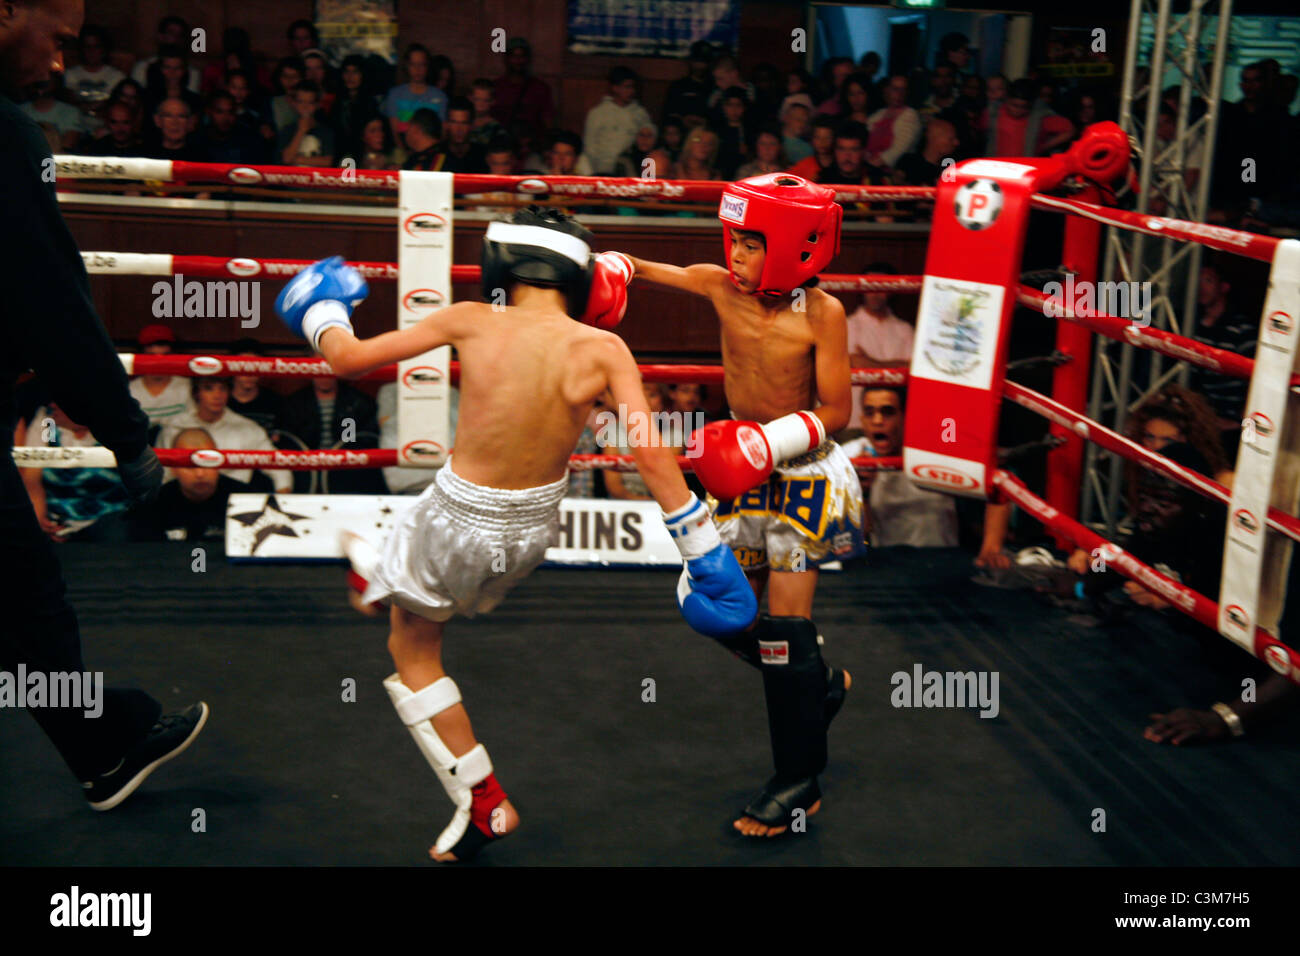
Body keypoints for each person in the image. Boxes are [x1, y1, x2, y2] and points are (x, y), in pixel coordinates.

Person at [272, 209, 756, 861]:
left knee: (412, 650)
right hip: (531, 534)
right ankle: (377, 571)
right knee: (407, 575)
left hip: (454, 517)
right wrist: (704, 553)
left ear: (500, 265)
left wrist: (319, 310)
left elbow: (350, 359)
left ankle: (484, 800)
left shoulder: (472, 318)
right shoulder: (604, 348)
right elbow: (648, 451)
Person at [1, 0, 206, 811]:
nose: (59, 64)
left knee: (19, 593)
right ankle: (102, 744)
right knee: (25, 594)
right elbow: (47, 289)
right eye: (57, 38)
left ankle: (102, 744)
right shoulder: (9, 133)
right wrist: (125, 431)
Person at [625, 173, 862, 837]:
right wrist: (607, 265)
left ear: (793, 249)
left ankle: (798, 781)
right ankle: (815, 688)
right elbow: (649, 269)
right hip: (738, 471)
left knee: (786, 630)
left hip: (804, 473)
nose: (737, 255)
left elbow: (838, 411)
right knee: (728, 618)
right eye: (734, 240)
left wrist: (770, 440)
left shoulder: (826, 316)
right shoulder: (716, 286)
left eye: (753, 245)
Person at [840, 387, 957, 547]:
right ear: (862, 419)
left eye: (888, 412)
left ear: (906, 416)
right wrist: (862, 493)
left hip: (939, 558)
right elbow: (850, 542)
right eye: (869, 412)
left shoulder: (937, 453)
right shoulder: (850, 456)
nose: (877, 421)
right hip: (885, 562)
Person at [161, 378, 291, 493]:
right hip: (182, 499)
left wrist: (282, 503)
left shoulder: (247, 428)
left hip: (233, 501)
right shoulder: (175, 427)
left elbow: (279, 469)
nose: (217, 395)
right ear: (196, 393)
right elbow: (163, 475)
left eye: (222, 389)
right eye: (209, 389)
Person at [129, 428, 241, 541]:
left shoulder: (245, 498)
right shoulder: (151, 505)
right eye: (190, 466)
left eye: (208, 464)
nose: (200, 474)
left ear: (219, 463)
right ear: (173, 468)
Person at [846, 263, 913, 430]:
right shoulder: (847, 324)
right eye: (870, 286)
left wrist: (869, 362)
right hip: (855, 419)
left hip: (896, 421)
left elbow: (913, 369)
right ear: (862, 289)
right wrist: (896, 367)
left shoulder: (904, 328)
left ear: (891, 290)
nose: (875, 293)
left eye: (881, 286)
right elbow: (856, 363)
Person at [583, 66, 653, 175]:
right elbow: (589, 146)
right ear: (615, 88)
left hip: (631, 169)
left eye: (633, 87)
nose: (631, 91)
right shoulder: (597, 113)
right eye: (627, 87)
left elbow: (648, 142)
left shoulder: (640, 114)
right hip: (602, 170)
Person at [491, 37, 554, 150]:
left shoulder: (540, 88)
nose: (518, 61)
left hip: (532, 149)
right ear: (506, 59)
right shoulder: (496, 87)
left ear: (528, 59)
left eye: (522, 56)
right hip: (501, 148)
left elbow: (548, 122)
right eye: (514, 56)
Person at [128, 324, 193, 430]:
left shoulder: (187, 386)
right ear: (141, 356)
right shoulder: (130, 391)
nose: (158, 363)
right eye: (151, 357)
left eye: (165, 356)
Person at [384, 44, 446, 142]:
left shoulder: (440, 97)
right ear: (407, 66)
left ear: (427, 67)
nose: (417, 69)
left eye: (422, 64)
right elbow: (395, 133)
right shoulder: (395, 94)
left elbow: (442, 132)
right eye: (413, 64)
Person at [63, 24, 123, 115]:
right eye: (87, 47)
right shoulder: (70, 74)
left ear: (104, 49)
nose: (91, 51)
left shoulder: (117, 76)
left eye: (96, 46)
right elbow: (69, 101)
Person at [277, 80, 334, 166]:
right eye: (301, 102)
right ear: (294, 103)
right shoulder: (287, 130)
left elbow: (329, 161)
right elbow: (286, 159)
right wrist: (301, 130)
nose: (305, 107)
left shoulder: (325, 131)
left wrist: (297, 160)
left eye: (310, 102)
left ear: (317, 105)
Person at [438, 96, 488, 174]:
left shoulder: (482, 156)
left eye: (464, 123)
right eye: (454, 122)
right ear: (446, 124)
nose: (459, 129)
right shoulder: (436, 155)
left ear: (472, 125)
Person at [786, 115, 835, 180]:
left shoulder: (840, 164)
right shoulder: (805, 165)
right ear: (812, 139)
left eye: (827, 138)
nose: (822, 142)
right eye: (817, 137)